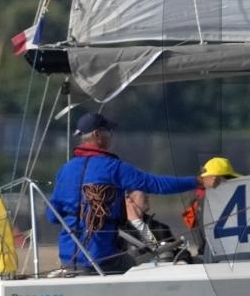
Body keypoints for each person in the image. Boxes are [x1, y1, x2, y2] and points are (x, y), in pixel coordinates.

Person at [47, 113, 199, 274]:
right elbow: (155, 184)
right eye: (108, 132)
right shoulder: (113, 167)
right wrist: (197, 182)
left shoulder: (65, 170)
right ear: (97, 134)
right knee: (140, 266)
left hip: (68, 260)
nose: (111, 137)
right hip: (102, 260)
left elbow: (52, 216)